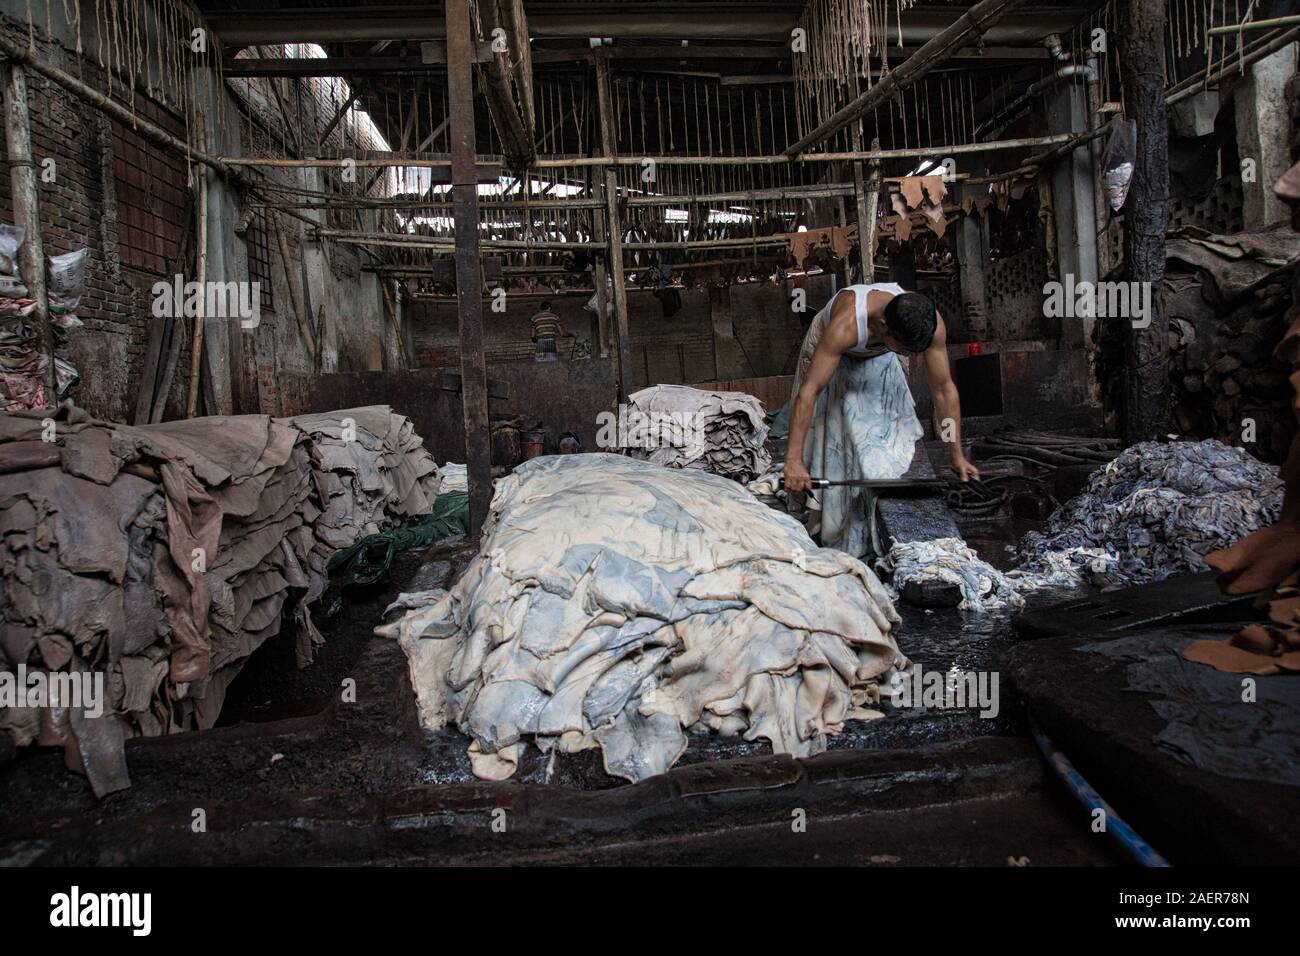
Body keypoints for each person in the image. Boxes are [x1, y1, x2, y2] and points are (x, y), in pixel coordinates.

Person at [783, 282, 979, 555]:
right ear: (885, 326)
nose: (910, 356)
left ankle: (865, 516)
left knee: (879, 432)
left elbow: (943, 391)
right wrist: (793, 460)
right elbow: (809, 393)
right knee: (829, 427)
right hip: (832, 348)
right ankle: (822, 519)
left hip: (880, 351)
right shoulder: (845, 326)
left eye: (913, 352)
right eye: (905, 349)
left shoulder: (929, 325)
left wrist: (956, 453)